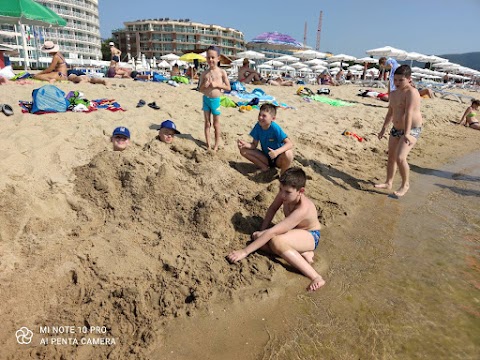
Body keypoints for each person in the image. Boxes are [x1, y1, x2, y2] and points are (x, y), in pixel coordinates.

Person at [227, 167, 325, 292]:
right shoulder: (284, 195)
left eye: (287, 192)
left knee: (274, 241)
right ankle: (301, 253)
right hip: (293, 233)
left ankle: (316, 277)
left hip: (310, 236)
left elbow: (273, 232)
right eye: (280, 189)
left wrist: (245, 252)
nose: (282, 195)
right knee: (259, 238)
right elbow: (272, 209)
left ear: (301, 191)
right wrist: (262, 230)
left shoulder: (302, 209)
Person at [375, 65, 423, 197]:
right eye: (395, 80)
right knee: (391, 157)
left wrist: (407, 133)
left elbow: (409, 113)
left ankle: (405, 184)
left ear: (409, 79)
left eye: (400, 80)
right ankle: (388, 182)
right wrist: (383, 128)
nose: (396, 83)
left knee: (400, 157)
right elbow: (391, 112)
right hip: (396, 129)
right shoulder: (394, 93)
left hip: (411, 129)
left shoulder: (412, 92)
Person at [237, 103, 294, 175]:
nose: (260, 117)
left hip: (279, 158)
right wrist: (245, 144)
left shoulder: (274, 127)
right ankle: (264, 167)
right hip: (266, 157)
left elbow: (290, 144)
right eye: (259, 115)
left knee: (288, 153)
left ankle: (283, 174)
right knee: (243, 150)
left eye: (264, 116)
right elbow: (254, 145)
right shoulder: (258, 126)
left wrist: (276, 152)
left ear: (273, 119)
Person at [198, 45, 231, 151]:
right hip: (206, 100)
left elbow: (228, 87)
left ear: (218, 58)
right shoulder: (204, 73)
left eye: (213, 57)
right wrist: (205, 85)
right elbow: (200, 89)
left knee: (216, 124)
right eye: (208, 57)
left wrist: (217, 85)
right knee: (207, 123)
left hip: (216, 100)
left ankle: (216, 146)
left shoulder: (222, 72)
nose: (210, 60)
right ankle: (208, 145)